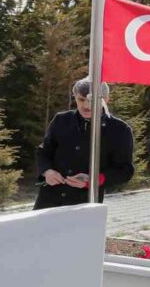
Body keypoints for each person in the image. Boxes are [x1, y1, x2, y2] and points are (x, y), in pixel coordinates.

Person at [34, 78, 134, 209]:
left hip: (86, 203)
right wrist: (47, 171)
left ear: (105, 100)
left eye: (92, 100)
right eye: (81, 99)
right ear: (75, 97)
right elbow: (44, 151)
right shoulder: (61, 120)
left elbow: (125, 171)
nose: (86, 106)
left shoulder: (120, 130)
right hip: (48, 200)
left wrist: (92, 180)